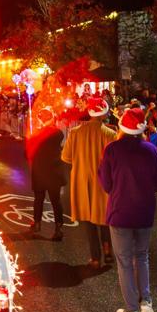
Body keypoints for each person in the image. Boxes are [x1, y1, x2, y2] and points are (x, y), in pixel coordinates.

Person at [97, 107, 157, 312]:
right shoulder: (151, 150)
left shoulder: (112, 149)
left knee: (125, 261)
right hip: (145, 210)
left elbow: (106, 183)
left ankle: (132, 310)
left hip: (120, 211)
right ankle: (146, 302)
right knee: (142, 256)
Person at [62, 97, 117, 266]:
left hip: (82, 182)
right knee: (104, 219)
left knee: (88, 221)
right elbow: (115, 161)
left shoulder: (75, 132)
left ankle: (95, 257)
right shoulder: (110, 134)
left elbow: (66, 157)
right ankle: (108, 251)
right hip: (103, 182)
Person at [26, 108, 68, 241]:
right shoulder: (58, 133)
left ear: (40, 119)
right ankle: (59, 228)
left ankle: (37, 224)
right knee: (56, 201)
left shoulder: (36, 134)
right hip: (54, 172)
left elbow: (27, 153)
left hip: (39, 172)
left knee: (39, 199)